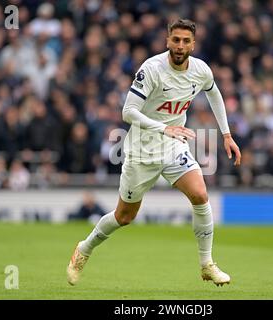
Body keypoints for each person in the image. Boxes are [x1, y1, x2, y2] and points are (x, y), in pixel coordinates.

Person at [66, 19, 241, 287]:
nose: (180, 45)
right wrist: (163, 128)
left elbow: (214, 93)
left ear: (193, 44)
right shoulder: (151, 69)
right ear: (167, 40)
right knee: (124, 217)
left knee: (200, 194)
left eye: (186, 41)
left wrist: (227, 135)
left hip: (173, 146)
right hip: (141, 151)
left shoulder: (201, 70)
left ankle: (207, 264)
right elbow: (128, 112)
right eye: (176, 40)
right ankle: (84, 249)